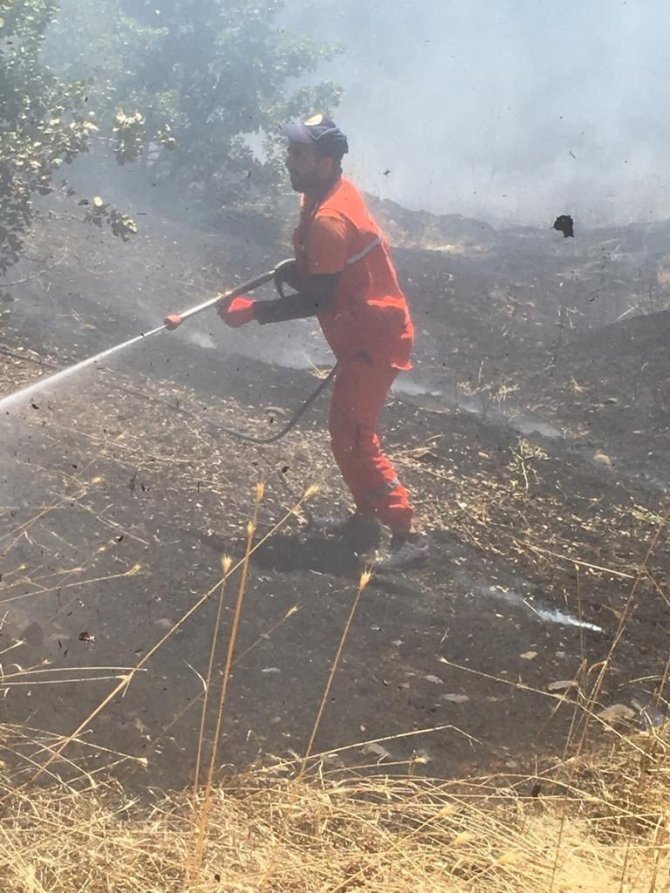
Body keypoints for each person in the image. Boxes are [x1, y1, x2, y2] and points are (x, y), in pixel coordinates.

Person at [171, 114, 428, 571]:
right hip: (363, 334)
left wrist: (253, 311)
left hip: (375, 340)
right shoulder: (323, 195)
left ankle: (406, 533)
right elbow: (332, 274)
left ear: (326, 161)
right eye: (289, 150)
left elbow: (319, 299)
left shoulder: (329, 217)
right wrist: (299, 268)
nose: (288, 160)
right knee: (344, 434)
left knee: (355, 436)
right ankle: (365, 520)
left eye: (299, 154)